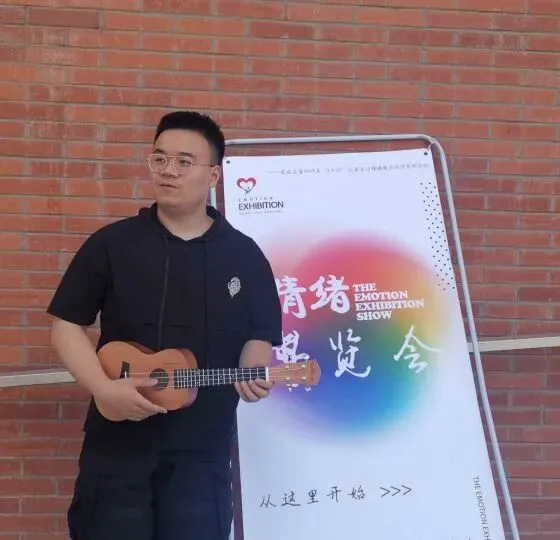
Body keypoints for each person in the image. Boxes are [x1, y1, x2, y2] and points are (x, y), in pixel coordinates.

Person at [46, 110, 283, 540]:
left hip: (202, 453)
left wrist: (252, 370)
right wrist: (103, 390)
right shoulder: (113, 244)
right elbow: (66, 323)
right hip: (116, 446)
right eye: (160, 159)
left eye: (184, 162)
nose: (168, 171)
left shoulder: (245, 256)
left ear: (213, 174)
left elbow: (261, 331)